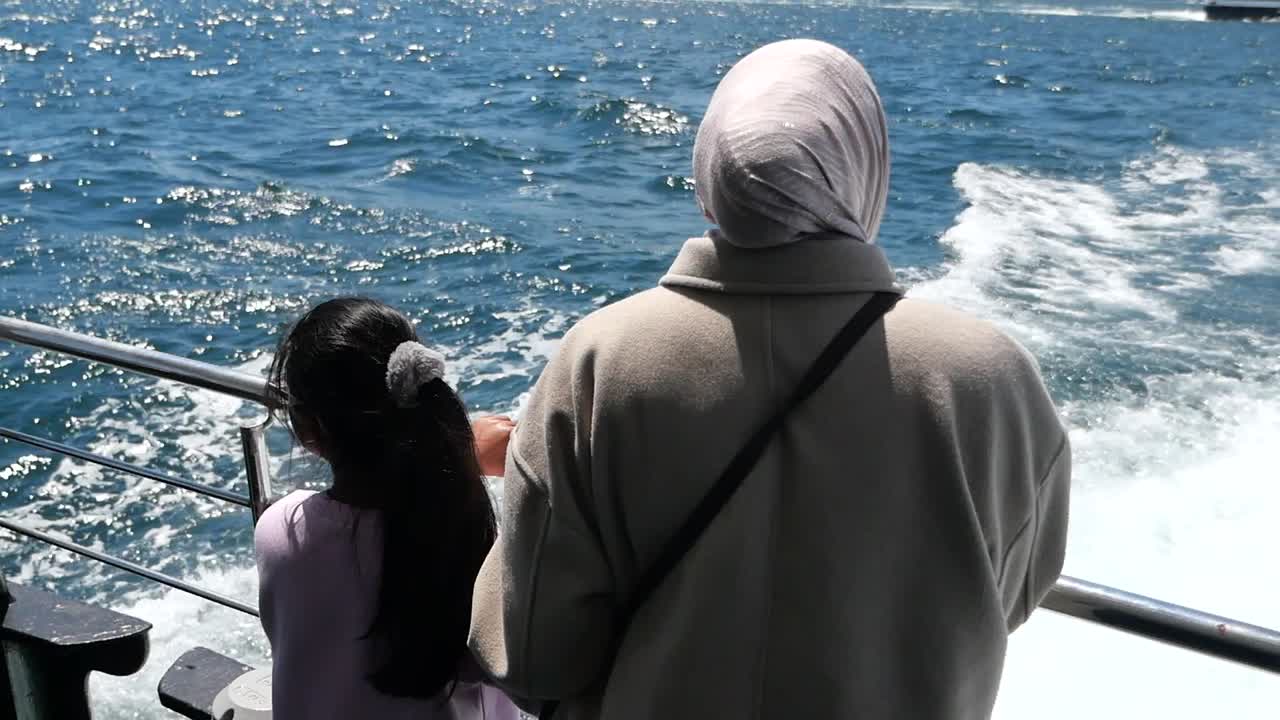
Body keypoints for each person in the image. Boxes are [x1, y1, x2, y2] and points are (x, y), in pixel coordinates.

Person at [468, 39, 1070, 719]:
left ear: (709, 173)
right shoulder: (989, 375)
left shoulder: (601, 362)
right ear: (864, 165)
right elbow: (1011, 597)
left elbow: (533, 651)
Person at [255, 297, 519, 720]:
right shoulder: (457, 541)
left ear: (309, 431)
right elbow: (512, 674)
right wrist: (463, 461)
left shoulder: (278, 530)